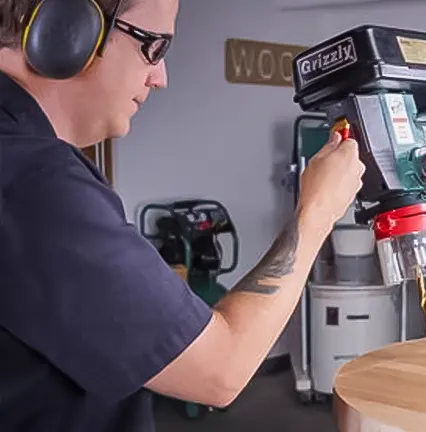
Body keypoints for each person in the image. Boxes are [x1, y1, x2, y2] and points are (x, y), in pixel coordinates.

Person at [0, 0, 365, 430]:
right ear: (68, 25)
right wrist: (318, 209)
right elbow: (220, 371)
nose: (160, 78)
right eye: (152, 47)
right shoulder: (34, 182)